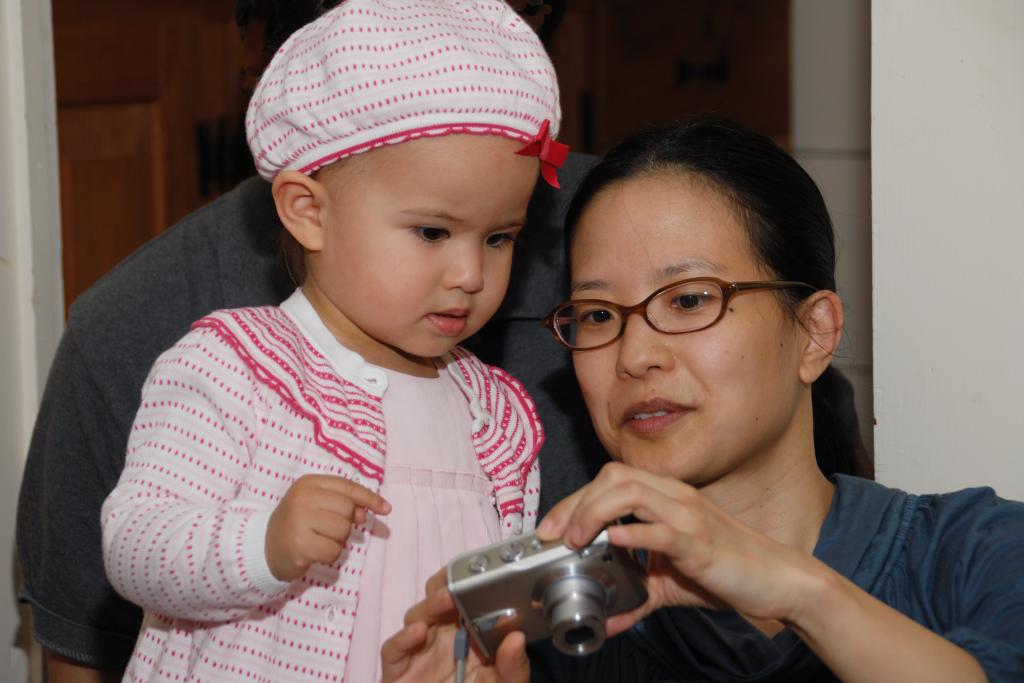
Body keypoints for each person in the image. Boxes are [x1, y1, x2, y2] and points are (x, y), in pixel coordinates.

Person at [381, 118, 1024, 683]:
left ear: (814, 332)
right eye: (598, 314)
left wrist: (799, 592)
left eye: (688, 300)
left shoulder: (977, 554)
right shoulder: (565, 627)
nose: (634, 356)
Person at [89, 1, 576, 681]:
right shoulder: (237, 366)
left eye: (499, 237)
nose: (471, 274)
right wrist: (262, 543)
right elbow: (135, 543)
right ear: (308, 211)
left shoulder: (494, 413)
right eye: (432, 232)